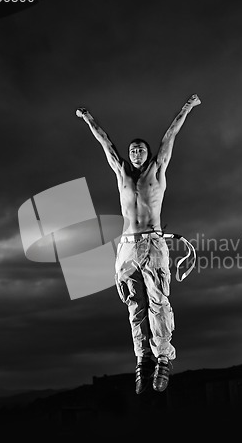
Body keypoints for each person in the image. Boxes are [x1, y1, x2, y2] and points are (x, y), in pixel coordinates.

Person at [76, 94, 201, 394]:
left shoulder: (157, 169)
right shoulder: (121, 172)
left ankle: (162, 357)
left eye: (140, 149)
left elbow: (170, 136)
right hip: (128, 247)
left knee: (158, 301)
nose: (135, 152)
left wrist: (187, 106)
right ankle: (142, 358)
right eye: (132, 149)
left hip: (153, 243)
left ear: (147, 153)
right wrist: (88, 118)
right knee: (135, 304)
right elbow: (105, 142)